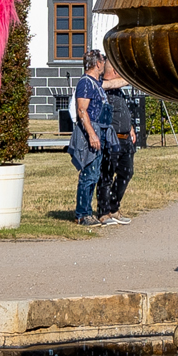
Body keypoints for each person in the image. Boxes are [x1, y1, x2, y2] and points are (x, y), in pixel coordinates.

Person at [69, 51, 110, 227]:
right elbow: (82, 110)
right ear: (98, 64)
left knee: (94, 174)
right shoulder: (85, 83)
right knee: (88, 174)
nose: (105, 65)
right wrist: (92, 134)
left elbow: (114, 82)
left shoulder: (96, 83)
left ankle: (87, 211)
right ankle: (82, 214)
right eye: (104, 61)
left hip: (98, 131)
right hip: (89, 133)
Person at [96, 69, 139, 226]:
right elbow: (110, 84)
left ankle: (114, 208)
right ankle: (103, 211)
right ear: (113, 71)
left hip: (126, 139)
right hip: (111, 140)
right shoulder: (101, 86)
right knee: (106, 176)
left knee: (126, 173)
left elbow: (124, 111)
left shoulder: (119, 91)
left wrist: (131, 127)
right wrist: (131, 78)